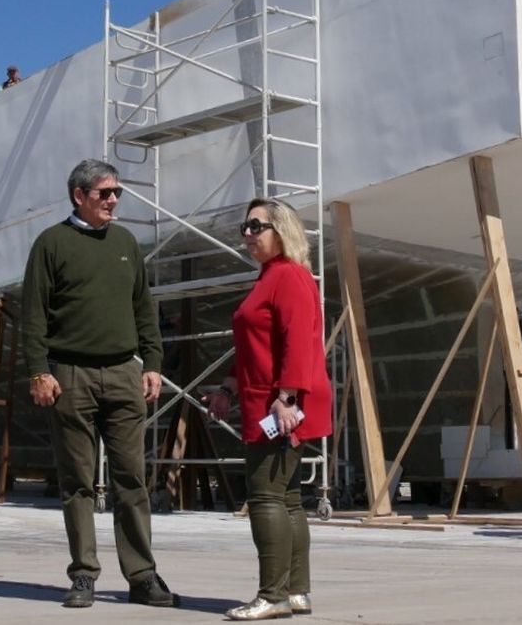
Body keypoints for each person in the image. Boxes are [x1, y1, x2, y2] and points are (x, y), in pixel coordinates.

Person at [22, 159, 177, 610]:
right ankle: (84, 574)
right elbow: (33, 315)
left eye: (117, 194)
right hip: (70, 375)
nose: (113, 201)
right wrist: (39, 370)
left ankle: (142, 576)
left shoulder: (126, 242)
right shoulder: (51, 244)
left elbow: (143, 308)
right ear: (79, 195)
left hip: (124, 374)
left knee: (133, 479)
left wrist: (151, 361)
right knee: (78, 482)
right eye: (104, 193)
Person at [204, 198, 332, 621]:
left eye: (256, 226)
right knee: (289, 499)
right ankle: (295, 592)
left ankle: (272, 595)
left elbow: (298, 342)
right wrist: (227, 387)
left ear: (282, 230)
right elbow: (253, 349)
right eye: (245, 227)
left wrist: (287, 398)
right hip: (271, 400)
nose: (247, 234)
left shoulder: (289, 277)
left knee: (264, 497)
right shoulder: (270, 277)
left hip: (281, 406)